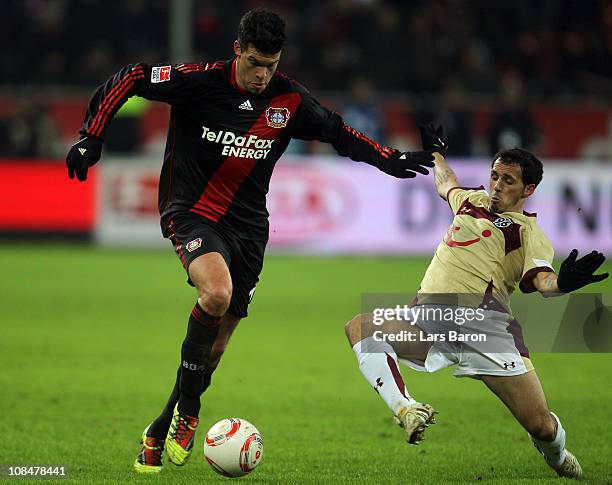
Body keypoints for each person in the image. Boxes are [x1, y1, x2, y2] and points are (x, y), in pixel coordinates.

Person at [65, 8, 435, 474]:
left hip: (249, 230)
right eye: (255, 63)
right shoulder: (199, 81)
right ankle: (191, 412)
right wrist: (90, 136)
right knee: (215, 293)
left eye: (271, 65)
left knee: (214, 349)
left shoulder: (289, 100)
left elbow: (339, 133)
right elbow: (133, 76)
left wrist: (389, 158)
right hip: (191, 211)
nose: (262, 75)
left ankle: (162, 423)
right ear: (238, 50)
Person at [345, 125, 609, 479]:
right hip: (429, 318)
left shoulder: (528, 232)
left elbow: (543, 281)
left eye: (509, 180)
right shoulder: (471, 201)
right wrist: (437, 153)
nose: (497, 184)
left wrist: (563, 282)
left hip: (484, 328)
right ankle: (407, 409)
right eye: (495, 176)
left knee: (541, 427)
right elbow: (445, 182)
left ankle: (558, 457)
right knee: (360, 326)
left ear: (528, 189)